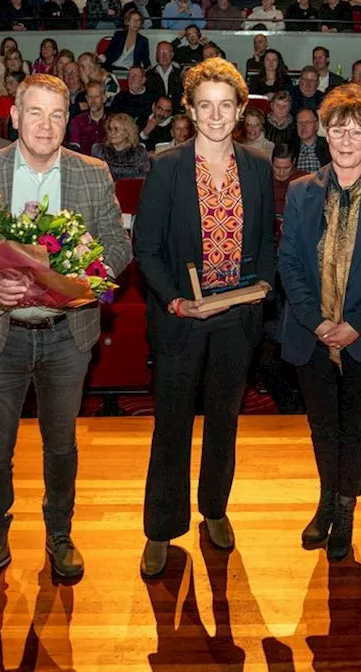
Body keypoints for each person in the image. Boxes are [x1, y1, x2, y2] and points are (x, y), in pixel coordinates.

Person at [0, 74, 132, 593]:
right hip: (0, 334)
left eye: (56, 115)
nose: (46, 125)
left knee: (61, 444)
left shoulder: (94, 174)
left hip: (68, 335)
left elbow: (119, 244)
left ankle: (60, 535)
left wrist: (85, 270)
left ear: (67, 121)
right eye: (36, 113)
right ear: (15, 117)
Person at [134, 59, 275, 579]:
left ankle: (214, 509)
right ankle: (160, 529)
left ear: (240, 111)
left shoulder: (257, 167)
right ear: (190, 111)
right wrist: (175, 300)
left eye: (226, 105)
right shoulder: (167, 167)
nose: (216, 115)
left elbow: (264, 243)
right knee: (170, 427)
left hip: (236, 321)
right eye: (205, 106)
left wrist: (265, 287)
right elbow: (145, 249)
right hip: (181, 319)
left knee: (224, 423)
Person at [278, 83, 361, 562]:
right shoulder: (300, 191)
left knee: (355, 425)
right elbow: (289, 261)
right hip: (310, 331)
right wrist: (316, 321)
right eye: (338, 130)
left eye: (357, 131)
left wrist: (353, 323)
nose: (347, 140)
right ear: (325, 136)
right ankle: (325, 501)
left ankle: (346, 509)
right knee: (321, 425)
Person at [90, 113, 151, 179]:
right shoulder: (99, 150)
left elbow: (144, 179)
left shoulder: (139, 152)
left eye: (116, 129)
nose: (112, 133)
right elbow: (94, 177)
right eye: (110, 129)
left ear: (127, 132)